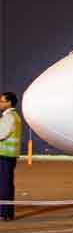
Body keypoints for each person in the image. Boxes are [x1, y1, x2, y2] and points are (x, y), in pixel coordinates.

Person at [0, 92, 21, 221]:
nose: (0, 103)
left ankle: (5, 213)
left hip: (4, 155)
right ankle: (7, 212)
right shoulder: (14, 116)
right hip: (8, 155)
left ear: (9, 103)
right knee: (6, 183)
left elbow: (1, 134)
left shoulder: (9, 117)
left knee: (4, 184)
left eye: (2, 101)